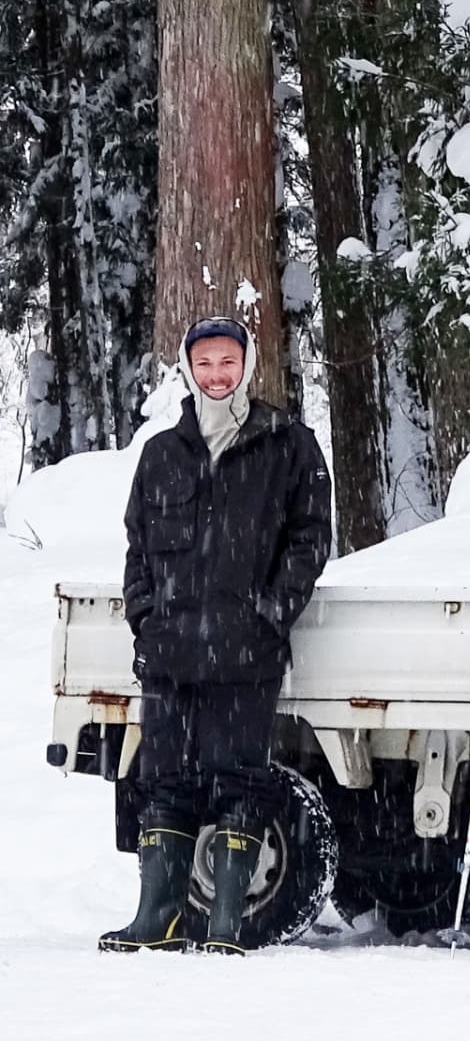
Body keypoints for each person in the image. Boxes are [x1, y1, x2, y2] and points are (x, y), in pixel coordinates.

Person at [99, 315, 332, 955]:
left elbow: (311, 538)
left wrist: (271, 613)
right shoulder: (161, 453)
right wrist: (145, 617)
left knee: (239, 780)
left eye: (228, 361)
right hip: (170, 651)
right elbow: (137, 545)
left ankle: (226, 921)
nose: (216, 374)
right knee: (163, 780)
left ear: (247, 366)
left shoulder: (287, 444)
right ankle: (159, 918)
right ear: (188, 368)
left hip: (245, 652)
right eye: (205, 363)